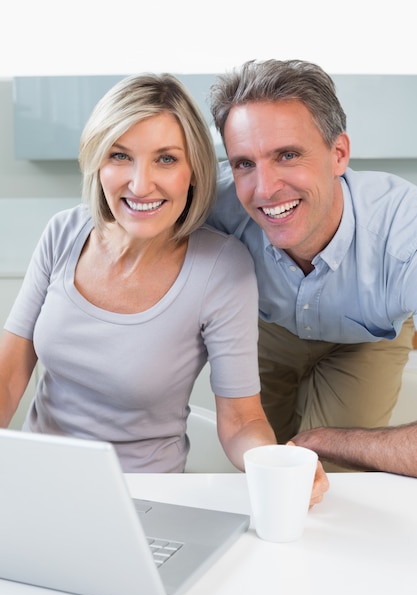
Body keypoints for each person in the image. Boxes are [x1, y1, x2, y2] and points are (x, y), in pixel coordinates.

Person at [0, 72, 328, 501]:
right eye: (120, 156)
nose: (140, 184)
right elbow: (8, 378)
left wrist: (272, 465)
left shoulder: (222, 268)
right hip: (37, 483)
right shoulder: (63, 232)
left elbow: (242, 420)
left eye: (166, 159)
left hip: (142, 498)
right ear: (97, 161)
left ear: (194, 170)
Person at [207, 59, 417, 473]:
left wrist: (323, 440)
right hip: (268, 328)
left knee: (330, 477)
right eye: (244, 163)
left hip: (364, 341)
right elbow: (113, 215)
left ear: (338, 154)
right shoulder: (214, 206)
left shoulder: (404, 233)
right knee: (257, 470)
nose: (264, 189)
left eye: (287, 155)